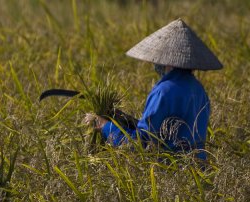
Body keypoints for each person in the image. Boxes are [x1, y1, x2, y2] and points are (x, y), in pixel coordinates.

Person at [85, 19, 223, 160]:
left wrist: (105, 126)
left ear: (167, 61)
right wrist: (126, 120)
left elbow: (141, 143)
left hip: (172, 172)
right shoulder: (199, 90)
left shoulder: (164, 91)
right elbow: (165, 131)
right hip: (198, 170)